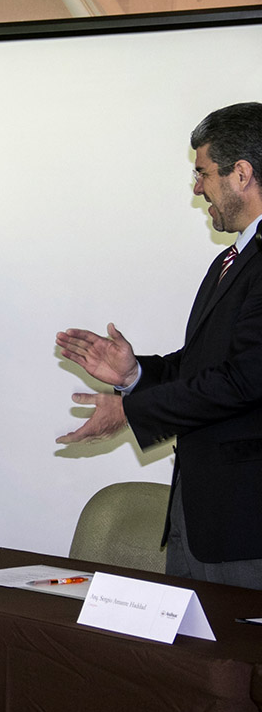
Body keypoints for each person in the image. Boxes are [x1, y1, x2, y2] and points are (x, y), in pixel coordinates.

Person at [57, 102, 262, 589]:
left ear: (241, 173)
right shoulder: (231, 262)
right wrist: (135, 376)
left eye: (202, 173)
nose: (196, 188)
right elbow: (203, 368)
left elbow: (245, 380)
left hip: (248, 530)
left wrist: (131, 412)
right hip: (201, 521)